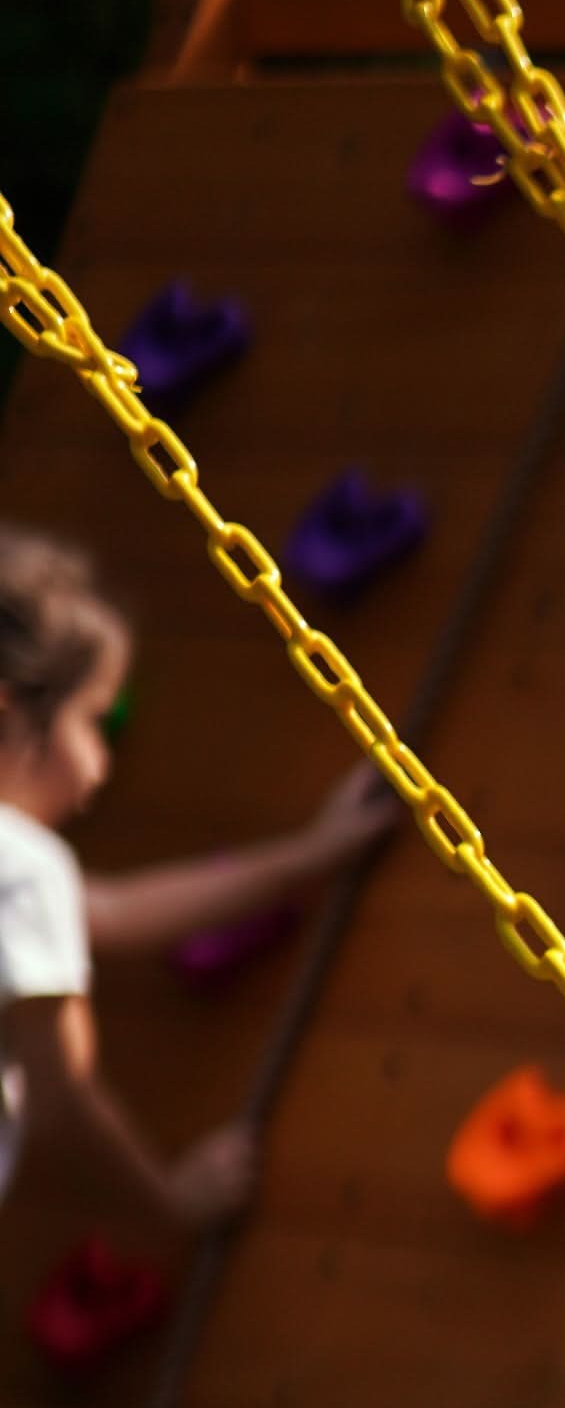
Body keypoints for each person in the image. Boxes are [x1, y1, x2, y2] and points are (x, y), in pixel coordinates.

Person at [0, 522, 388, 1238]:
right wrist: (172, 1201)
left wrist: (312, 855)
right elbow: (64, 1100)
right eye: (92, 722)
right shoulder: (23, 871)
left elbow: (108, 910)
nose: (98, 765)